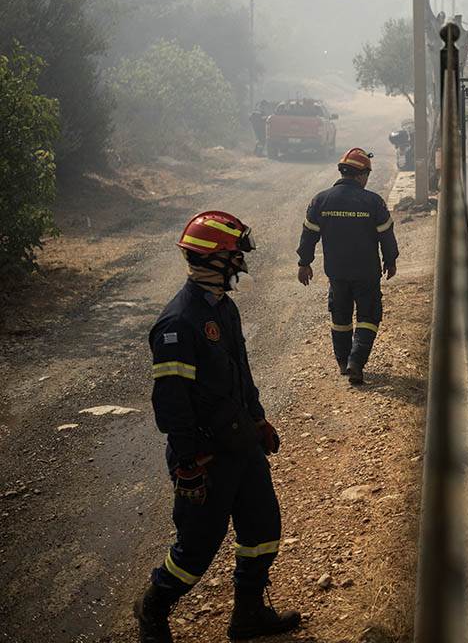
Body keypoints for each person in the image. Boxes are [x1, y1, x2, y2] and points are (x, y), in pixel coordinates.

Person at [134, 211, 300, 642]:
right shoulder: (177, 323)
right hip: (205, 456)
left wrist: (259, 420)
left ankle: (247, 616)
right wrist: (188, 461)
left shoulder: (223, 308)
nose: (239, 264)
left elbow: (240, 375)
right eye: (233, 257)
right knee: (196, 550)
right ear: (214, 260)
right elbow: (170, 403)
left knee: (263, 530)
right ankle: (153, 606)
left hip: (241, 443)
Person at [296, 147, 399, 384]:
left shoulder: (320, 200)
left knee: (340, 318)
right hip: (367, 273)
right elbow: (386, 235)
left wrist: (304, 262)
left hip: (337, 273)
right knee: (368, 316)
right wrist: (390, 260)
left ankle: (343, 362)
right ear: (361, 174)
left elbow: (308, 235)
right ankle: (356, 362)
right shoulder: (373, 201)